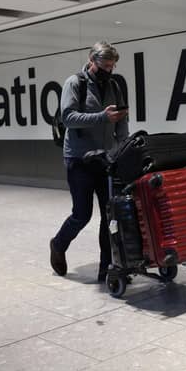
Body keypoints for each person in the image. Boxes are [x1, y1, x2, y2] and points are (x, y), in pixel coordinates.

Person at [50, 41, 128, 281]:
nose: (109, 70)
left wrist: (122, 147)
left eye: (112, 66)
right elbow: (69, 118)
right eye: (105, 65)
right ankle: (58, 244)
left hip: (106, 160)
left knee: (110, 215)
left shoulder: (114, 84)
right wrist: (102, 117)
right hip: (79, 159)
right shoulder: (75, 83)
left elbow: (121, 119)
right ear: (91, 61)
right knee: (82, 214)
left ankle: (108, 267)